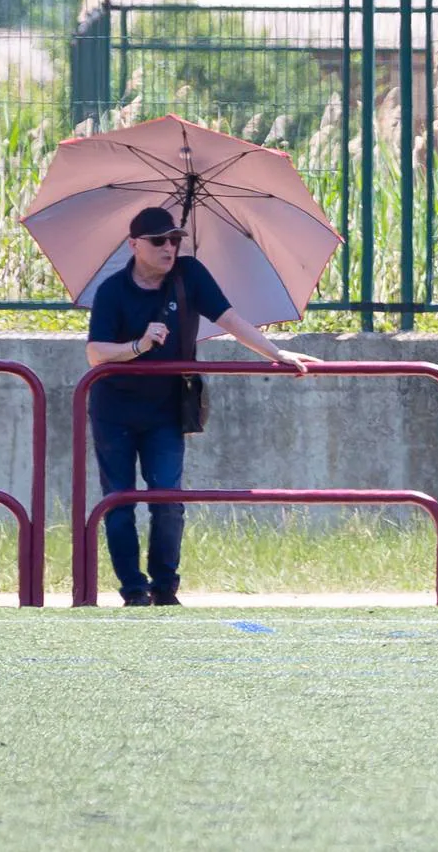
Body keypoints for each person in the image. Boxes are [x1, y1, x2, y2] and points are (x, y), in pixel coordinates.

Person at [81, 206, 324, 607]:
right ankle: (133, 591)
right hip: (115, 412)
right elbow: (95, 353)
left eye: (175, 239)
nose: (169, 248)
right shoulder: (112, 291)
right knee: (120, 502)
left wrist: (274, 352)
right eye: (159, 241)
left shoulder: (189, 274)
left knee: (168, 499)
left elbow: (229, 318)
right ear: (134, 245)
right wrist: (138, 346)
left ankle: (164, 587)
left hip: (166, 410)